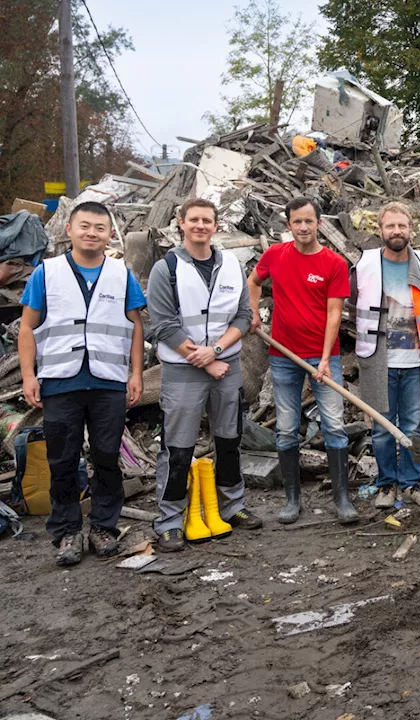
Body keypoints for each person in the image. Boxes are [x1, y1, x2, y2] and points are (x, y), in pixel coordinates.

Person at [18, 201, 145, 566]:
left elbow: (135, 326)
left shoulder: (121, 274)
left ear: (109, 234)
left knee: (106, 457)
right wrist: (29, 375)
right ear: (69, 230)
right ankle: (68, 532)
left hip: (108, 382)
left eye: (100, 228)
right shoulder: (48, 272)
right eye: (85, 226)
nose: (92, 233)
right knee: (62, 460)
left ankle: (104, 526)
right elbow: (27, 327)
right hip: (61, 382)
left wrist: (136, 374)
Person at [147, 198, 260, 552]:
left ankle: (233, 506)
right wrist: (205, 359)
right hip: (183, 371)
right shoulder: (166, 269)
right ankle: (169, 521)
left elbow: (244, 316)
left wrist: (218, 350)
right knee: (177, 447)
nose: (200, 225)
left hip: (227, 366)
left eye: (206, 220)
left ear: (215, 225)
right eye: (193, 219)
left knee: (229, 440)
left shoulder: (231, 266)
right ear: (181, 223)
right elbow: (163, 325)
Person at [248, 197, 355, 524]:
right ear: (289, 225)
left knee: (335, 425)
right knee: (287, 428)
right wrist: (253, 313)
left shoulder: (333, 264)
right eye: (298, 222)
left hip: (325, 358)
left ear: (319, 224)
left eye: (310, 221)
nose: (304, 227)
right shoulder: (275, 256)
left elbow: (334, 315)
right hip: (282, 356)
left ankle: (342, 499)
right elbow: (253, 281)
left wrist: (324, 359)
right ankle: (292, 500)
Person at [349, 201, 420, 509]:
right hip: (379, 360)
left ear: (411, 229)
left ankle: (411, 484)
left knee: (413, 427)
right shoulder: (366, 264)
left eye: (402, 225)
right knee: (382, 428)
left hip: (417, 361)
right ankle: (387, 485)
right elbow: (352, 304)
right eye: (390, 226)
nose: (396, 231)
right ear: (380, 230)